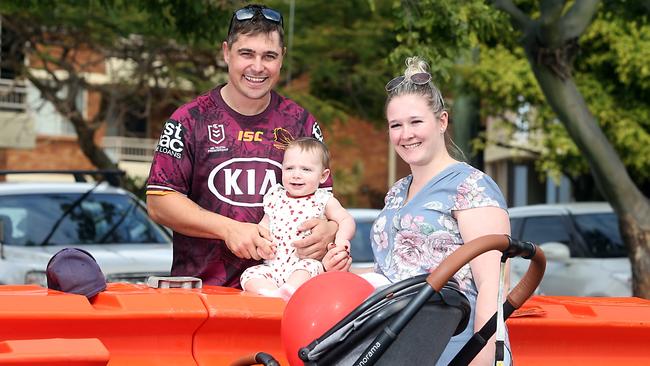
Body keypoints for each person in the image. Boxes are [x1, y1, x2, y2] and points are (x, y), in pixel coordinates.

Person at [145, 4, 346, 288]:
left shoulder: (301, 122)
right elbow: (159, 202)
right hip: (204, 299)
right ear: (226, 52)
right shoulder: (189, 120)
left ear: (282, 58)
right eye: (246, 53)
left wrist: (330, 230)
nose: (257, 67)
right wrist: (229, 229)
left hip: (286, 300)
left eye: (269, 56)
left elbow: (325, 202)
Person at [367, 57, 512, 365]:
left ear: (442, 121)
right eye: (396, 125)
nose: (406, 134)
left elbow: (494, 285)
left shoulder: (471, 187)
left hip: (452, 347)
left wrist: (480, 357)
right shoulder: (395, 193)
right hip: (394, 348)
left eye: (416, 122)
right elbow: (393, 273)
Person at [241, 137, 354, 300]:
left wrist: (342, 240)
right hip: (274, 267)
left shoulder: (322, 199)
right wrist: (262, 244)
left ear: (323, 176)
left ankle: (290, 292)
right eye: (289, 168)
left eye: (306, 170)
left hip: (304, 264)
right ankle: (272, 294)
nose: (296, 175)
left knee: (307, 268)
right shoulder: (275, 197)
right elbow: (264, 226)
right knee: (249, 274)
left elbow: (345, 219)